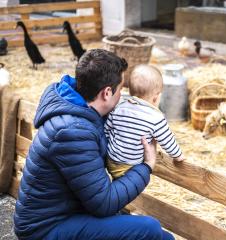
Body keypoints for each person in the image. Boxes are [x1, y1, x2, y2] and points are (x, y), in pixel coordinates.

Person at [13, 49, 174, 240]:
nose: (122, 96)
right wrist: (146, 167)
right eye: (121, 89)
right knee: (150, 229)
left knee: (163, 237)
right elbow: (104, 203)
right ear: (106, 93)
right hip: (44, 229)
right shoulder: (72, 131)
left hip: (66, 213)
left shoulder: (79, 109)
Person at [105, 65, 184, 178]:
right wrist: (178, 155)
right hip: (130, 167)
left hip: (111, 160)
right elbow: (167, 140)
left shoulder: (119, 107)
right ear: (156, 98)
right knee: (129, 188)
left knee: (119, 183)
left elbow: (107, 129)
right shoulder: (156, 117)